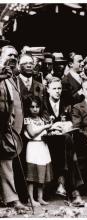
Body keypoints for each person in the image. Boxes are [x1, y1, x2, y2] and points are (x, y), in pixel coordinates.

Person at [43, 77, 84, 206]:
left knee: (67, 139)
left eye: (59, 88)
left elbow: (73, 121)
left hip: (64, 138)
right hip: (47, 139)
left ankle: (61, 181)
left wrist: (66, 124)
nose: (57, 91)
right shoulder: (43, 103)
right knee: (71, 150)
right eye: (54, 88)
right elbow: (42, 121)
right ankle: (75, 191)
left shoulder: (67, 102)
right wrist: (53, 126)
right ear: (48, 90)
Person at [0, 45, 28, 210]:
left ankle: (12, 199)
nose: (13, 58)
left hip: (4, 128)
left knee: (6, 162)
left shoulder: (11, 78)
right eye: (10, 54)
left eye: (16, 56)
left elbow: (12, 103)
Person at [24, 96, 53, 207]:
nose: (35, 109)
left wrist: (50, 129)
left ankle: (40, 197)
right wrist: (45, 127)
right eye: (32, 107)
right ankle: (30, 199)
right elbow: (32, 133)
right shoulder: (27, 119)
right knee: (31, 176)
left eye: (37, 107)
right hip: (33, 148)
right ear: (28, 108)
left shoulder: (41, 119)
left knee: (41, 174)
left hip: (43, 147)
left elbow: (44, 132)